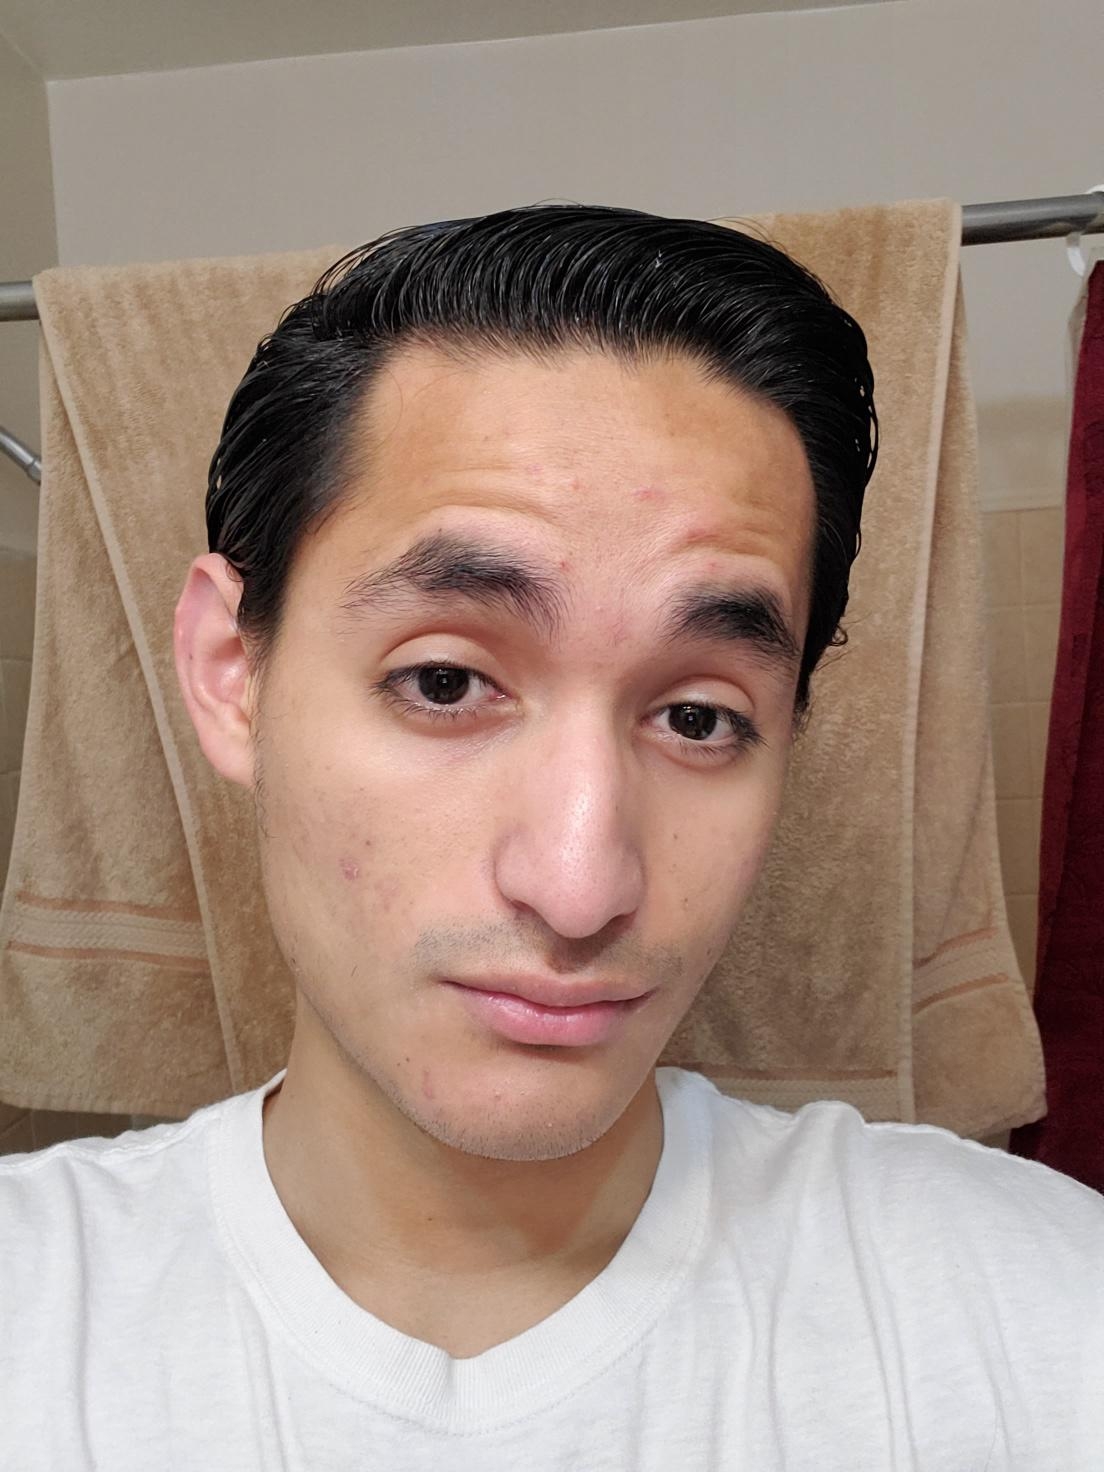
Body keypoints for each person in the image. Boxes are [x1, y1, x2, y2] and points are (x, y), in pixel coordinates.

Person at [1, 203, 1101, 1470]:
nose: (580, 888)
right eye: (446, 682)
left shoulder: (1038, 1311)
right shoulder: (36, 1311)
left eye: (698, 715)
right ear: (228, 675)